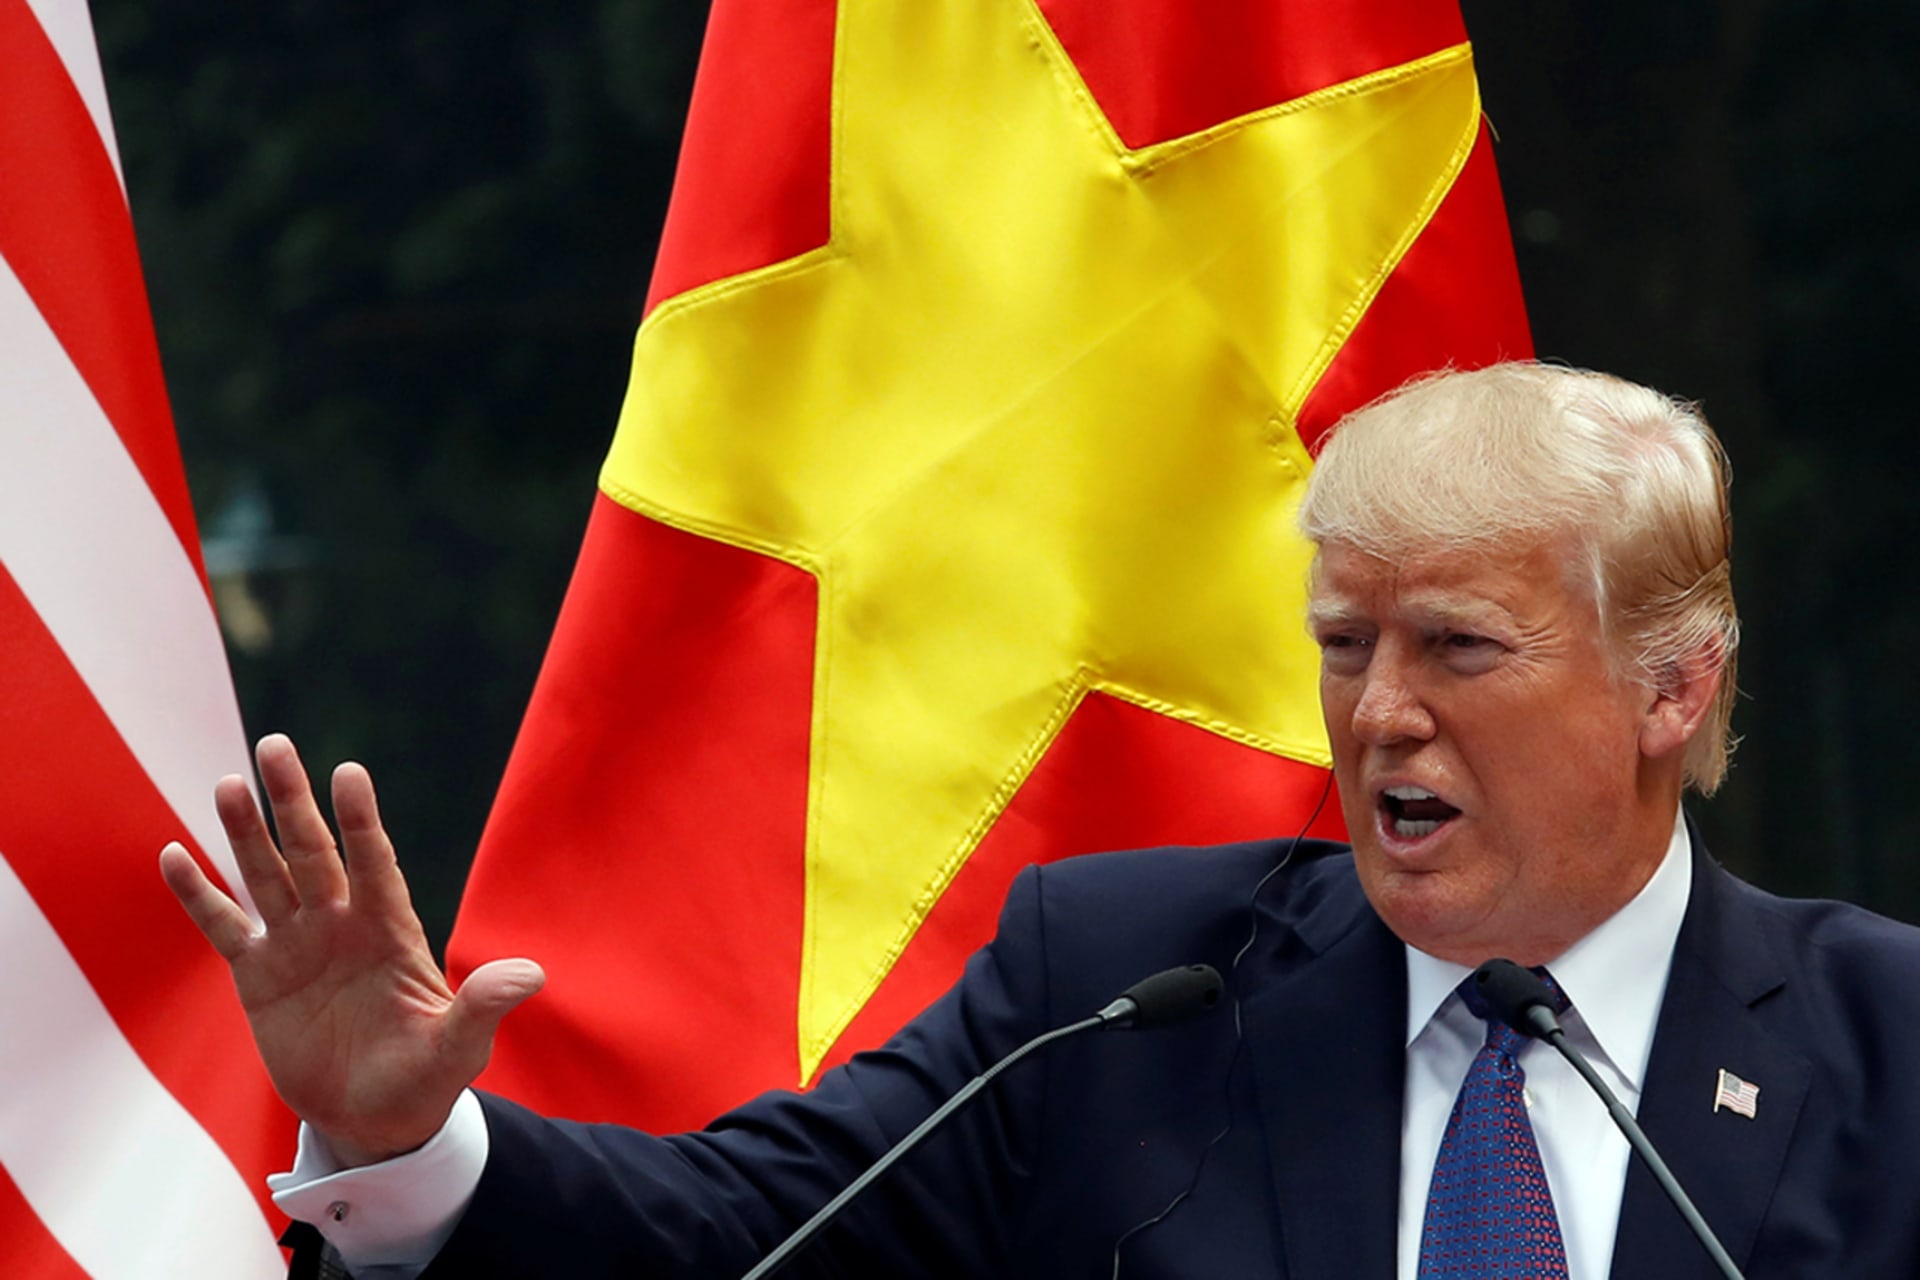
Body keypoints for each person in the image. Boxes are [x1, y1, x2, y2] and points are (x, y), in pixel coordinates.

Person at [162, 362, 1920, 1278]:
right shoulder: (1129, 991)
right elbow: (732, 1240)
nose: (1380, 710)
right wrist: (410, 1141)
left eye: (1458, 647)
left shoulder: (1887, 1043)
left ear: (1671, 688)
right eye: (1344, 645)